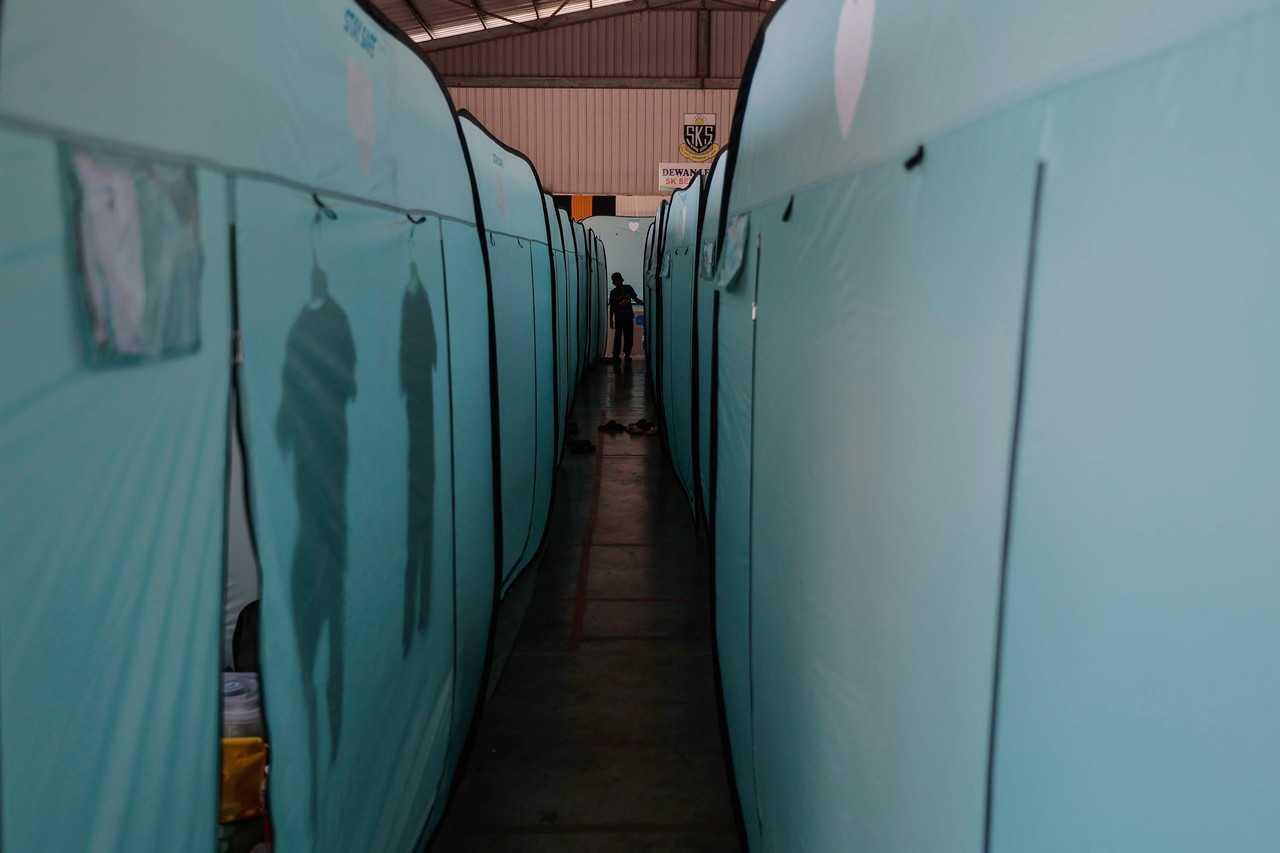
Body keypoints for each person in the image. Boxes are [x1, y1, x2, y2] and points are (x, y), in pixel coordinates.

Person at [608, 272, 643, 360]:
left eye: (617, 280)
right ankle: (619, 355)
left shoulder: (618, 291)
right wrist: (611, 320)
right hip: (621, 318)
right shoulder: (626, 289)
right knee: (620, 337)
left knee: (627, 337)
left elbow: (636, 299)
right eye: (616, 280)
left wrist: (643, 303)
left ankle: (624, 354)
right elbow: (612, 307)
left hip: (626, 318)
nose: (617, 282)